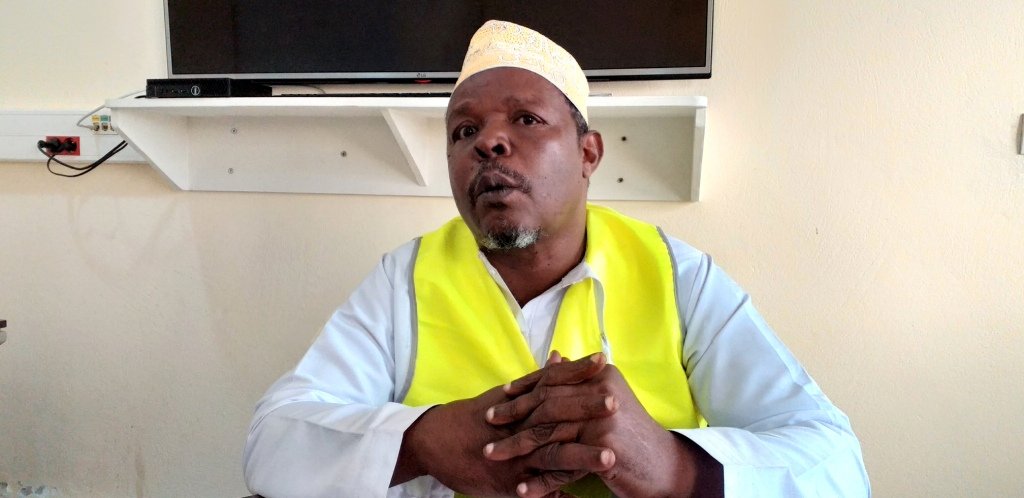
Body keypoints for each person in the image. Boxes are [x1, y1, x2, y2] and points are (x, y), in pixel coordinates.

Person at [243, 20, 870, 498]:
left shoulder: (679, 276)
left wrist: (675, 466)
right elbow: (274, 440)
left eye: (526, 119)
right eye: (464, 131)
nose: (488, 142)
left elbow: (837, 464)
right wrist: (423, 441)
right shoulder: (404, 279)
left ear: (588, 154)